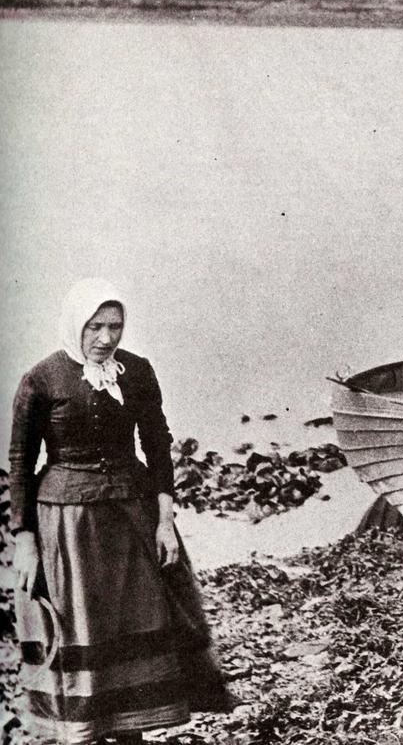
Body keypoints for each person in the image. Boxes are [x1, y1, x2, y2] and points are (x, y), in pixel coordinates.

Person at [9, 278, 234, 745]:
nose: (106, 338)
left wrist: (166, 521)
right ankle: (87, 729)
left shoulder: (137, 372)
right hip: (70, 523)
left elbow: (157, 445)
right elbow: (20, 462)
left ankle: (132, 730)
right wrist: (24, 540)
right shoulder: (42, 378)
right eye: (95, 327)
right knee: (81, 625)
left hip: (132, 518)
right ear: (77, 325)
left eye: (115, 326)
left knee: (136, 621)